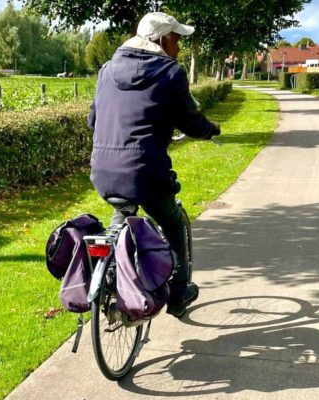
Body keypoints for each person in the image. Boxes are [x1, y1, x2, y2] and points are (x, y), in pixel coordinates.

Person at [87, 12, 221, 318]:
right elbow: (188, 120)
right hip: (146, 170)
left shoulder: (106, 70)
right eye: (176, 40)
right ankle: (178, 293)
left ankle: (107, 280)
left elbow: (92, 120)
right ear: (161, 40)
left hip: (104, 169)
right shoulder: (170, 72)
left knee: (122, 212)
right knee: (172, 223)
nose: (178, 48)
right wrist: (210, 129)